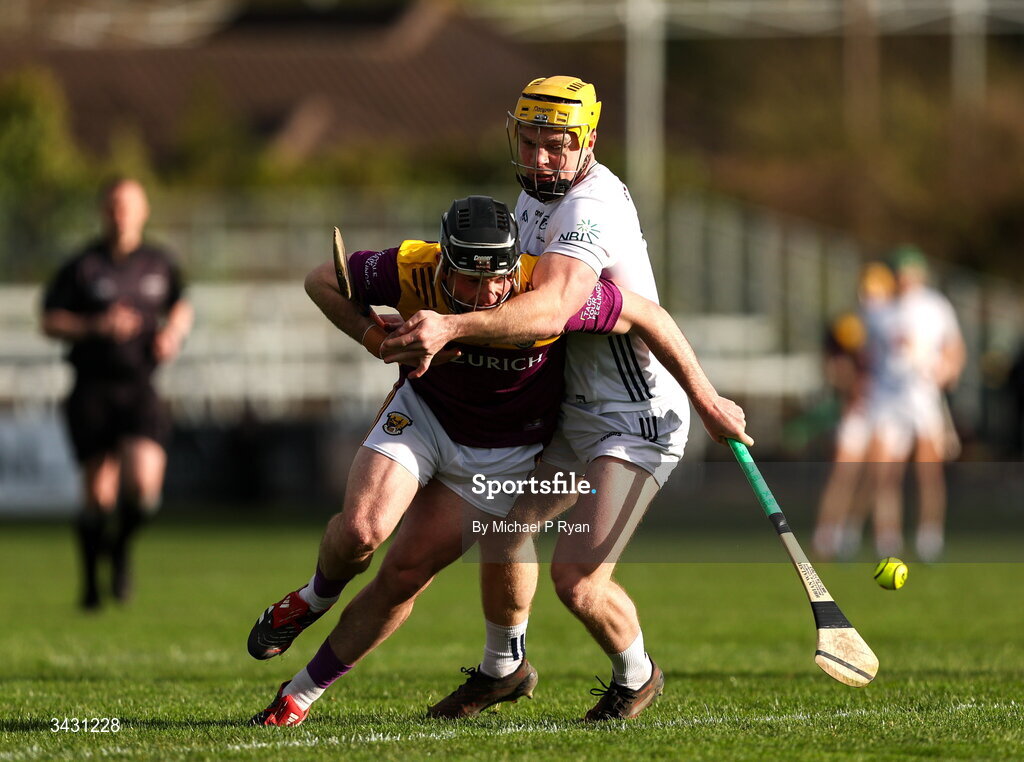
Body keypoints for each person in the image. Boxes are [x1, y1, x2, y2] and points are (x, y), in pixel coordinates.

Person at [247, 195, 748, 726]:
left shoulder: (542, 292)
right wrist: (378, 339)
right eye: (469, 280)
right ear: (443, 264)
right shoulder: (414, 266)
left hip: (501, 457)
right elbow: (321, 280)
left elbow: (646, 313)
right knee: (361, 532)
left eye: (499, 278)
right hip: (423, 415)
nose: (487, 294)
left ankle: (299, 695)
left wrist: (706, 397)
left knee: (404, 572)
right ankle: (312, 599)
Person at [382, 76, 753, 721]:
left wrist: (707, 399)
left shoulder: (590, 208)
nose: (538, 159)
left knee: (577, 579)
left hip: (634, 422)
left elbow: (552, 306)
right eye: (528, 143)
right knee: (504, 528)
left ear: (586, 142)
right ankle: (503, 669)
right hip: (571, 411)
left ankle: (636, 676)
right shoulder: (531, 201)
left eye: (555, 146)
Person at [41, 177, 193, 610]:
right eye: (113, 206)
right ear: (102, 211)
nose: (120, 213)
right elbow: (50, 319)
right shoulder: (82, 266)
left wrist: (174, 333)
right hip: (91, 388)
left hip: (139, 387)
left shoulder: (159, 263)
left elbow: (182, 303)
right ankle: (90, 585)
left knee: (144, 491)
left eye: (128, 205)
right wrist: (95, 326)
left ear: (143, 211)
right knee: (98, 494)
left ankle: (121, 549)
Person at [866, 246, 965, 562]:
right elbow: (869, 356)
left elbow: (954, 350)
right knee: (884, 471)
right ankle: (887, 538)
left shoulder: (936, 306)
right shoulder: (880, 309)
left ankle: (929, 538)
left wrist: (945, 372)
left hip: (922, 396)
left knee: (928, 471)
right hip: (887, 397)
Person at [812, 262, 895, 561]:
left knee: (880, 476)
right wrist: (849, 388)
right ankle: (826, 533)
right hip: (860, 409)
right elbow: (838, 366)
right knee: (844, 472)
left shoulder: (896, 323)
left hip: (887, 409)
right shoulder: (851, 326)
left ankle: (859, 534)